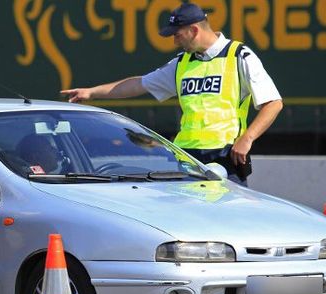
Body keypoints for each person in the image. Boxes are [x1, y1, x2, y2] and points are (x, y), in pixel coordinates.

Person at [61, 2, 283, 185]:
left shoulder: (238, 55)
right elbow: (139, 84)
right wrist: (92, 93)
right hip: (187, 158)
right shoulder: (181, 64)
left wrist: (247, 138)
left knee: (228, 224)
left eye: (177, 35)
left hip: (225, 157)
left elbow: (273, 103)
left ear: (194, 30)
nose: (174, 41)